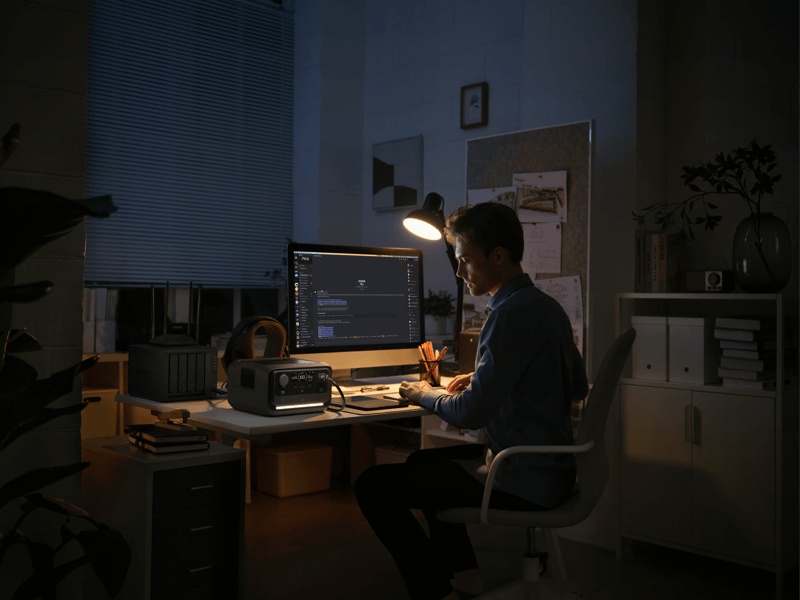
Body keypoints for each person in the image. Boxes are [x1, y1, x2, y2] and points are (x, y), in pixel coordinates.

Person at [354, 202, 588, 600]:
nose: (460, 272)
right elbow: (577, 385)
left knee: (371, 486)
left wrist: (424, 393)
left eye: (465, 260)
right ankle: (464, 580)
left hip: (521, 479)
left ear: (498, 256)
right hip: (554, 470)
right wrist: (485, 378)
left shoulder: (509, 314)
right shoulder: (547, 306)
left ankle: (433, 591)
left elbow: (471, 412)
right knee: (422, 463)